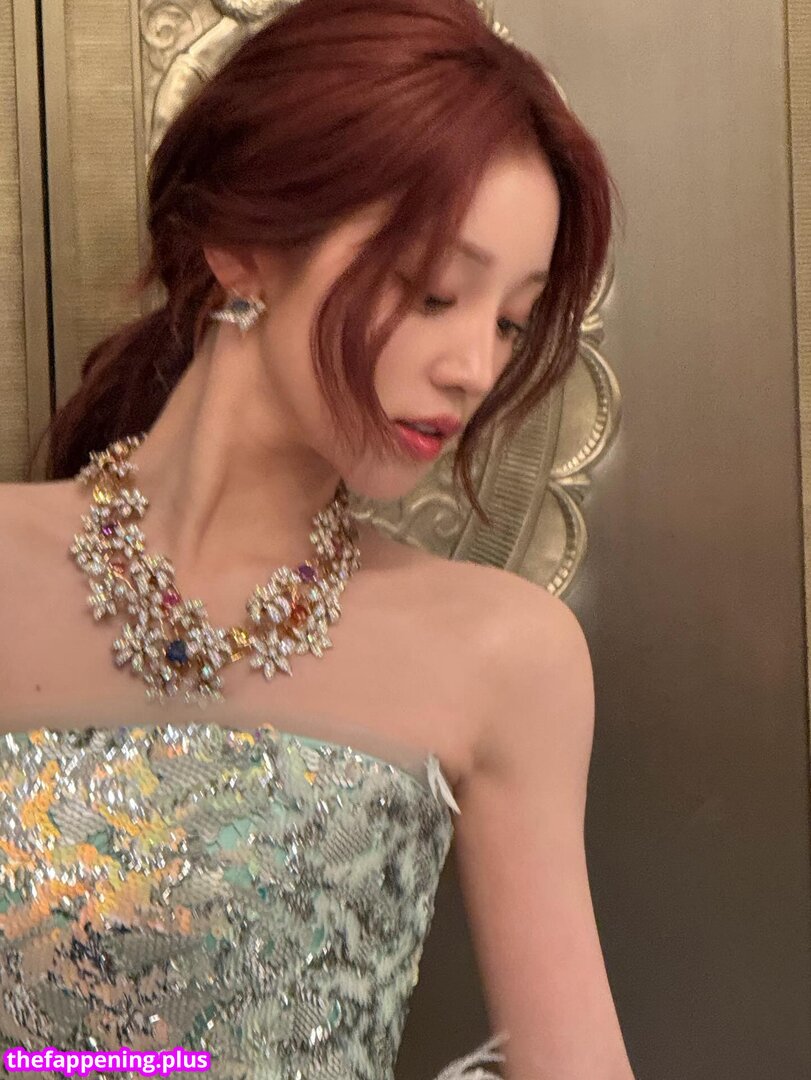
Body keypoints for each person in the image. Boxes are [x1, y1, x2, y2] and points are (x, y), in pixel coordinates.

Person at [0, 0, 633, 1077]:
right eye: (433, 291)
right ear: (242, 247)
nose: (474, 369)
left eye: (509, 321)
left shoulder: (506, 656)